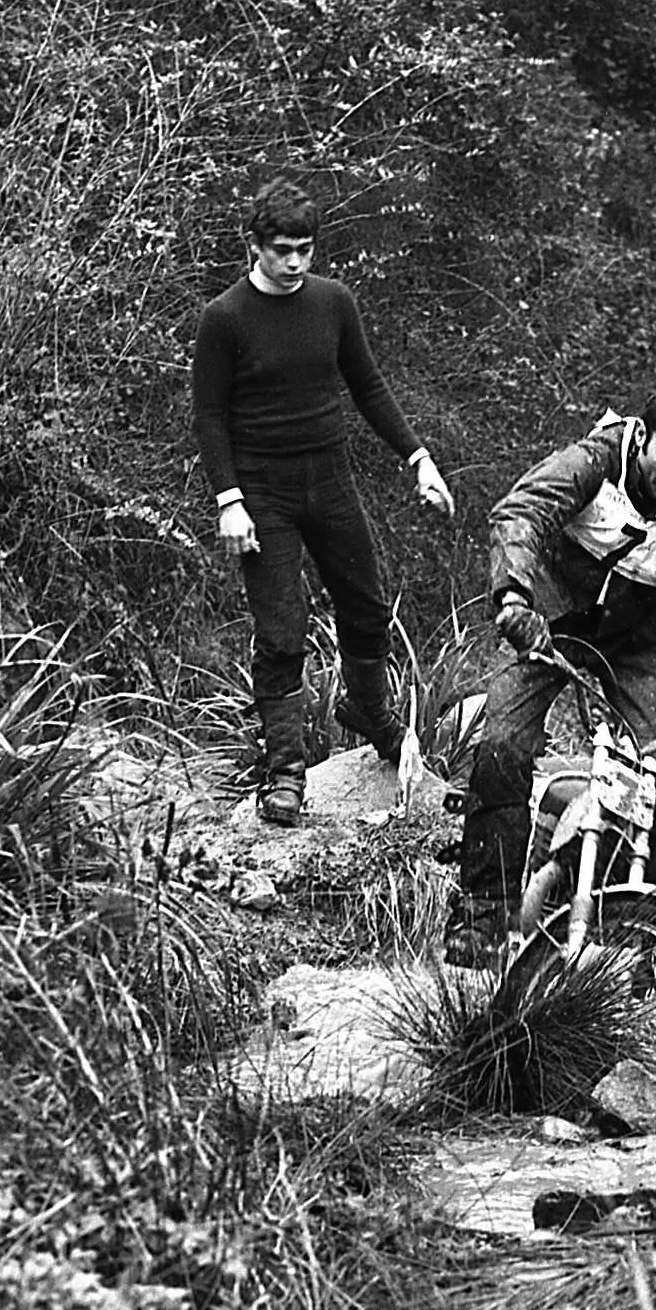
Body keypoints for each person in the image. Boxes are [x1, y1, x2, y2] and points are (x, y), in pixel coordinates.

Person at [443, 381, 656, 968]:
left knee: (655, 771)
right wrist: (513, 598)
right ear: (643, 437)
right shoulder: (593, 460)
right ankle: (484, 914)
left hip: (637, 640)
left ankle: (649, 923)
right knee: (503, 745)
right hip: (550, 620)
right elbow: (521, 512)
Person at [192, 175, 455, 825]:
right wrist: (229, 500)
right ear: (254, 246)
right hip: (262, 491)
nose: (294, 263)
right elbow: (210, 416)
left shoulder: (332, 302)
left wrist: (419, 459)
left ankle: (366, 709)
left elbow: (368, 386)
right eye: (281, 250)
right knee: (281, 629)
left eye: (304, 250)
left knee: (366, 607)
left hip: (329, 479)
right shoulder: (225, 318)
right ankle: (285, 772)